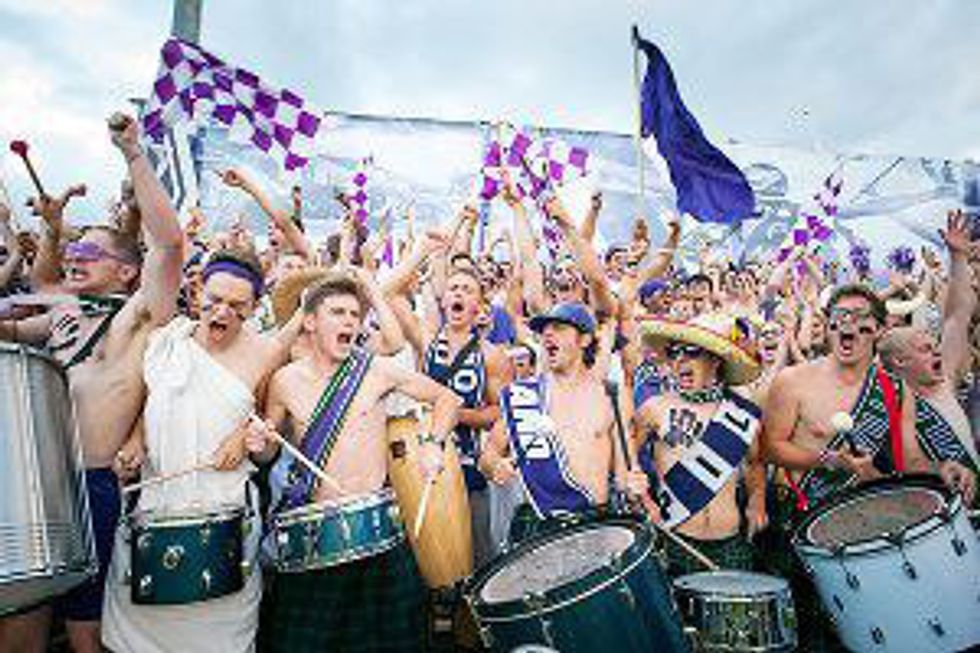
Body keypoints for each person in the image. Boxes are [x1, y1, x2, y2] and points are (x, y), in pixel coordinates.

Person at [0, 113, 183, 653]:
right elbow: (10, 327)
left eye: (89, 254)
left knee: (86, 635)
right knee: (20, 625)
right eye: (73, 252)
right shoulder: (61, 315)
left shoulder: (136, 316)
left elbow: (168, 245)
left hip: (93, 486)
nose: (74, 259)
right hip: (35, 484)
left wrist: (133, 154)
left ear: (126, 271)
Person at [101, 249, 301, 652]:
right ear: (197, 293)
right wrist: (135, 441)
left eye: (237, 306)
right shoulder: (165, 340)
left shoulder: (266, 353)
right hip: (156, 503)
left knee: (219, 635)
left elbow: (267, 431)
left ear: (254, 308)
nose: (222, 312)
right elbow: (150, 401)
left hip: (224, 508)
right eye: (214, 300)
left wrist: (245, 437)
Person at [251, 271, 461, 653]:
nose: (350, 321)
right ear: (310, 322)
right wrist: (259, 443)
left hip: (378, 533)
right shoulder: (284, 381)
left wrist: (433, 444)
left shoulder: (376, 371)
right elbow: (267, 451)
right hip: (315, 539)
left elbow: (447, 399)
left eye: (354, 314)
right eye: (337, 313)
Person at [763, 283, 976, 650]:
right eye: (839, 316)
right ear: (829, 325)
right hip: (801, 523)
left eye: (860, 317)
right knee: (810, 637)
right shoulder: (792, 381)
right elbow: (770, 448)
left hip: (859, 526)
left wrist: (942, 468)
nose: (848, 324)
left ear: (878, 329)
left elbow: (910, 459)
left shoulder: (894, 389)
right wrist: (829, 460)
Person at [479, 302, 650, 543]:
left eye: (559, 328)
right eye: (544, 330)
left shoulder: (612, 395)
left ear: (585, 340)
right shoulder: (524, 395)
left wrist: (634, 488)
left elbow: (625, 476)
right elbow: (487, 456)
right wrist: (495, 466)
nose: (548, 334)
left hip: (593, 525)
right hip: (538, 525)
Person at [634, 312, 767, 577]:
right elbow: (626, 458)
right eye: (673, 352)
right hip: (675, 540)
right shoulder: (654, 408)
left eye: (691, 352)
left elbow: (755, 464)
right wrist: (643, 497)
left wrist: (757, 500)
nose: (680, 360)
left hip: (730, 542)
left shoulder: (742, 414)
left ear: (715, 360)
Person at [878, 211, 980, 478]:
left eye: (934, 346)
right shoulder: (888, 407)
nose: (937, 351)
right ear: (900, 361)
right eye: (924, 349)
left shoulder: (945, 380)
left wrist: (958, 258)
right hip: (934, 496)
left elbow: (957, 316)